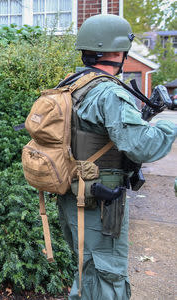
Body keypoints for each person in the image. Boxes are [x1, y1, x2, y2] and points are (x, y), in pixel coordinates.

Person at [56, 14, 177, 299]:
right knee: (106, 275)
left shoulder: (73, 84)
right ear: (115, 51)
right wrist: (167, 126)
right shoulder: (108, 92)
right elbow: (143, 146)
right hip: (99, 200)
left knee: (87, 270)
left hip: (74, 194)